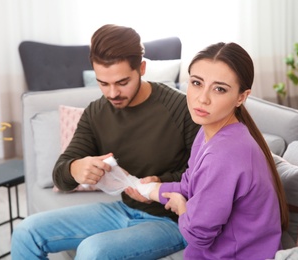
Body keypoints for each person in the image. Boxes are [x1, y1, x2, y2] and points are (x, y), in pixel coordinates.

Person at [11, 24, 200, 259]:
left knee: (93, 252)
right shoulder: (96, 113)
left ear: (141, 68)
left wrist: (160, 184)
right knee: (26, 232)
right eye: (103, 83)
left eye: (122, 82)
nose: (112, 93)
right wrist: (75, 169)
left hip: (172, 220)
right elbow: (60, 174)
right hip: (123, 209)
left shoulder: (181, 109)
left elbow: (206, 177)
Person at [142, 42, 289, 260]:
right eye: (196, 83)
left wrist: (183, 208)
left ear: (241, 97)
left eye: (219, 89)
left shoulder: (226, 153)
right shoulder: (208, 132)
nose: (202, 98)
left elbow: (197, 235)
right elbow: (190, 185)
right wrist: (150, 190)